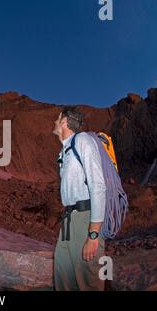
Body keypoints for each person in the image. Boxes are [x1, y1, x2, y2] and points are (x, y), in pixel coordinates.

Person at [52, 106, 106, 291]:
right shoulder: (64, 151)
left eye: (58, 119)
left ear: (65, 121)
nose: (55, 122)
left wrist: (93, 235)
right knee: (63, 277)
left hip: (85, 219)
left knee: (88, 280)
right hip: (68, 221)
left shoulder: (82, 140)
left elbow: (98, 186)